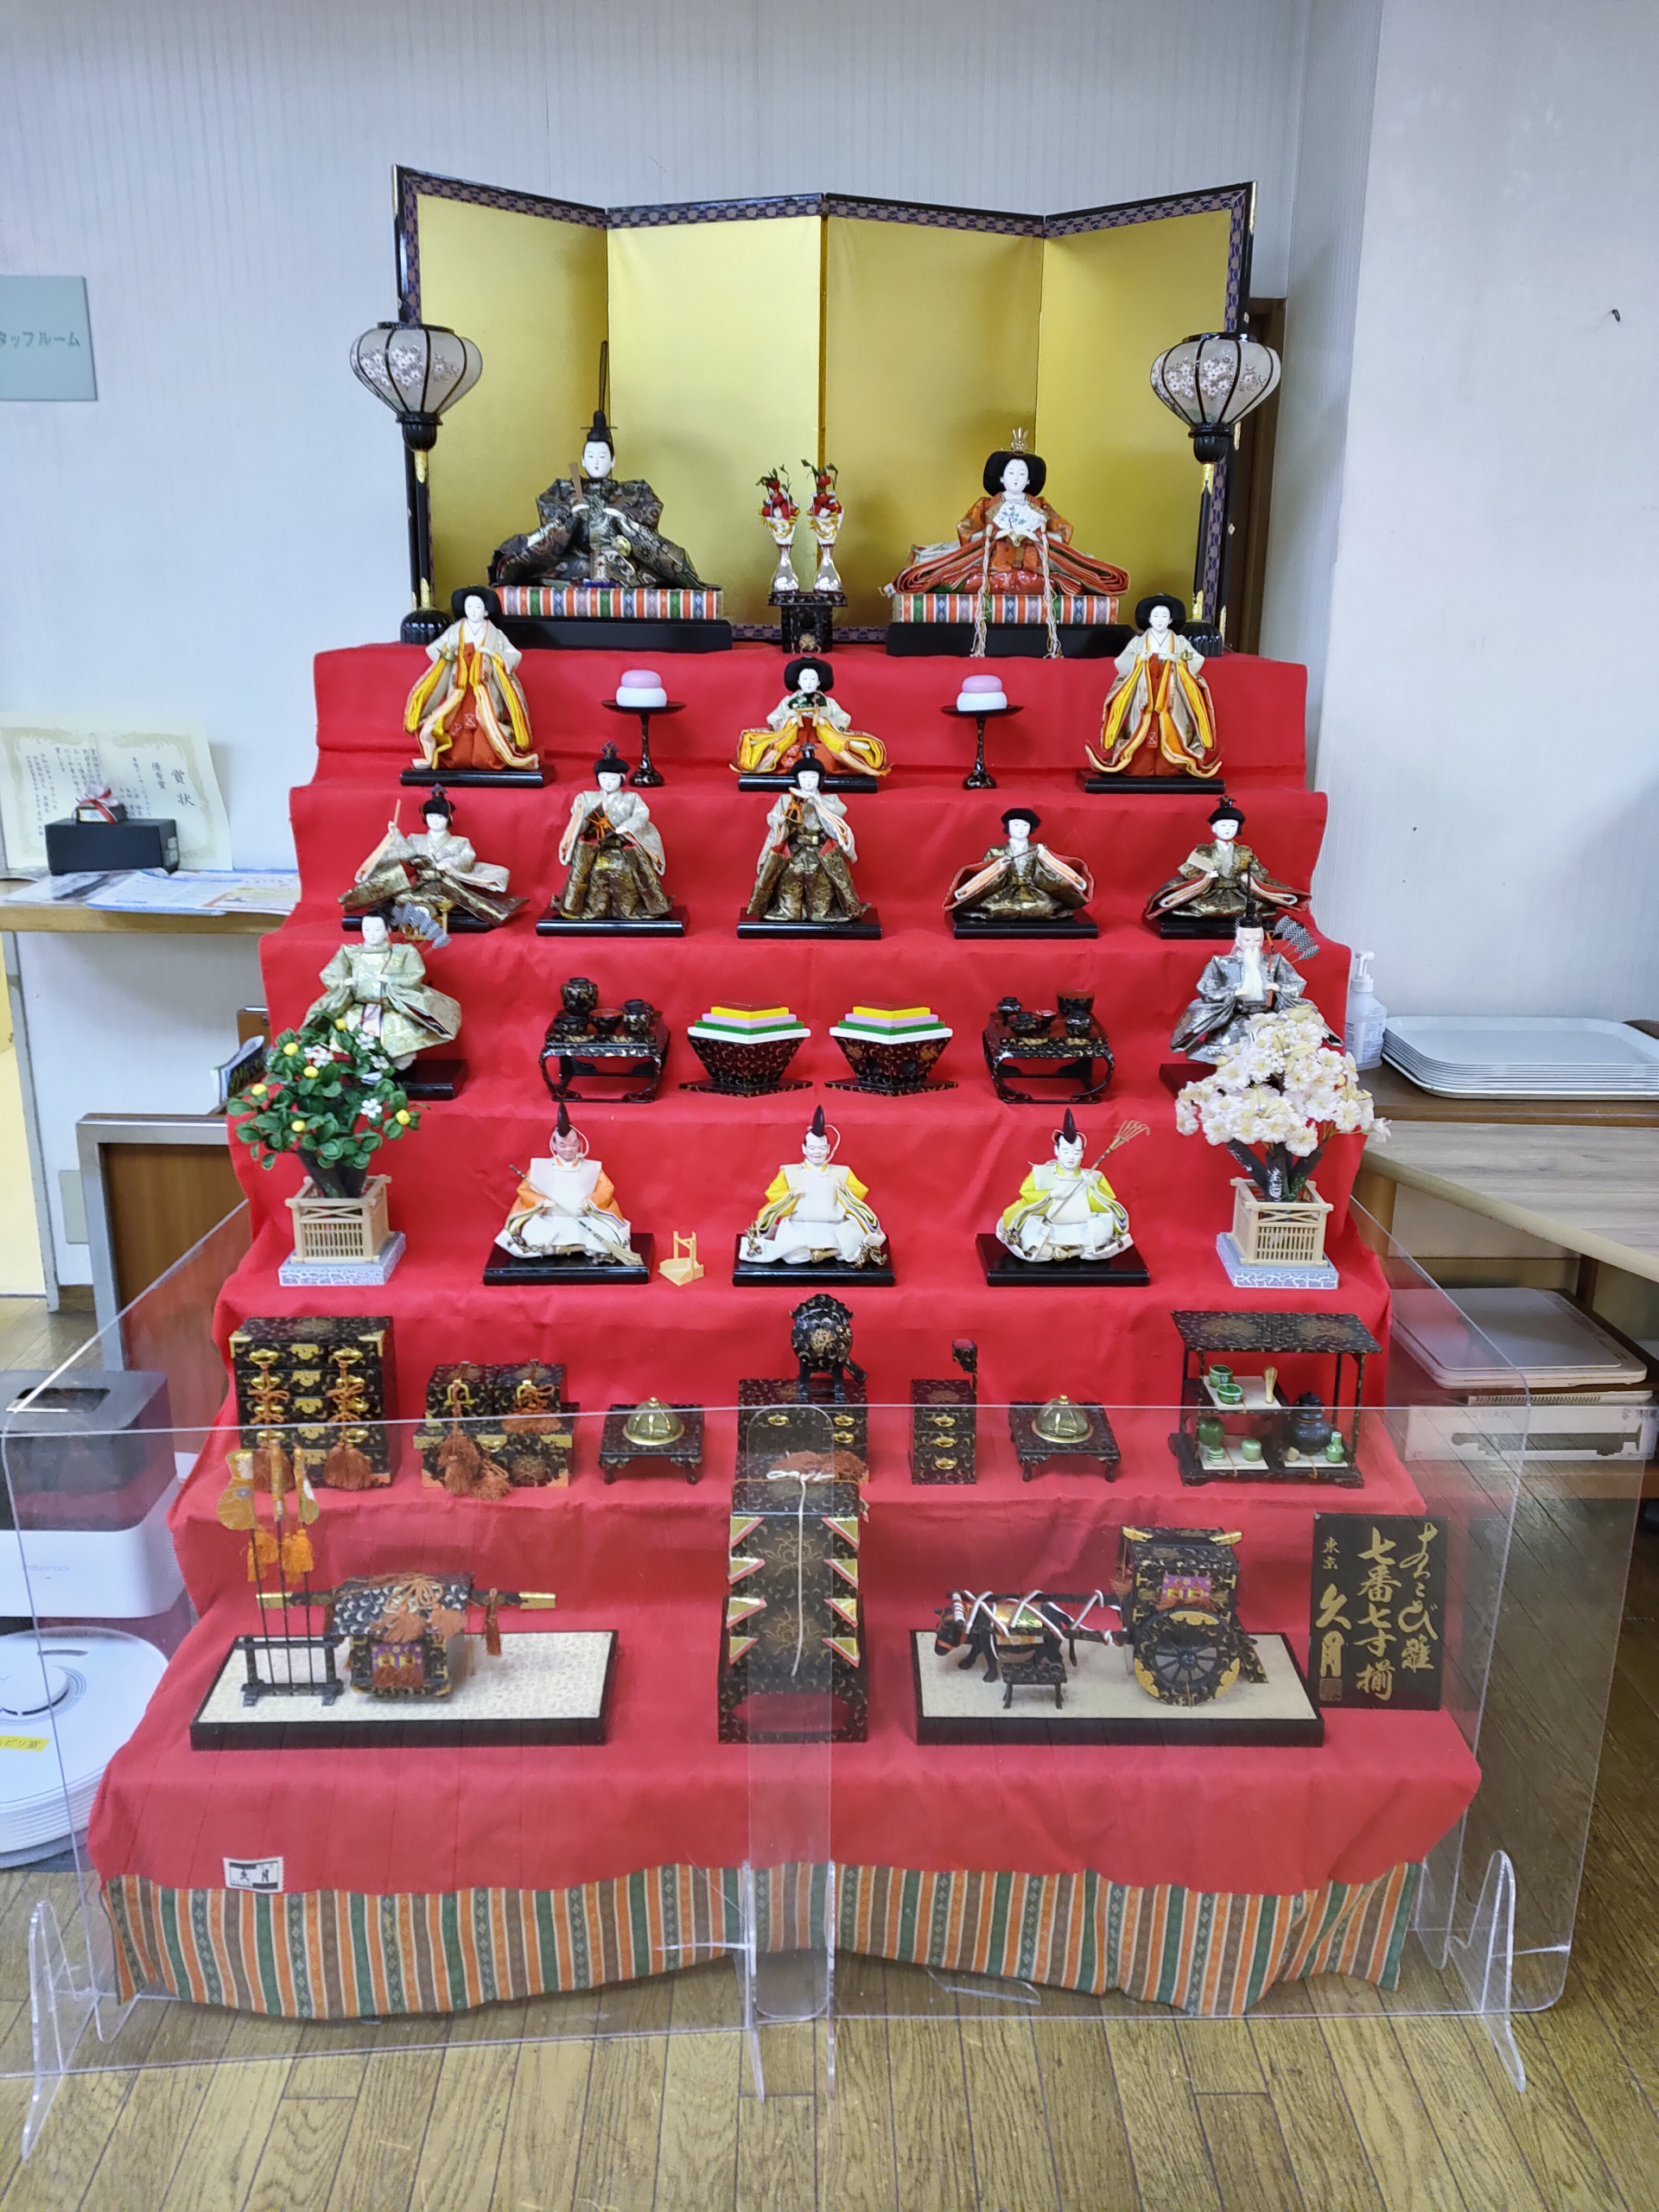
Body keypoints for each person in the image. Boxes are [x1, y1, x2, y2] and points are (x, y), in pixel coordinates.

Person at [887, 431, 1129, 655]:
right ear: (1001, 476)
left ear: (1029, 479)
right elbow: (967, 532)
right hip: (992, 567)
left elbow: (1061, 534)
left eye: (1022, 474)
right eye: (1011, 473)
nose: (1016, 478)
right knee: (963, 580)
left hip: (1033, 569)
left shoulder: (1040, 506)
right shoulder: (986, 505)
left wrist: (1036, 537)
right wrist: (994, 534)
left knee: (1066, 584)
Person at [488, 405, 709, 590]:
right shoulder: (564, 488)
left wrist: (624, 518)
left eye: (602, 456)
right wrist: (570, 517)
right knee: (565, 570)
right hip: (576, 559)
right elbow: (547, 509)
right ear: (583, 460)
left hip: (618, 558)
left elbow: (650, 510)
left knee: (636, 571)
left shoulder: (634, 489)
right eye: (591, 456)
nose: (596, 462)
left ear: (613, 461)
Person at [346, 787, 524, 930]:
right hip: (421, 884)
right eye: (431, 816)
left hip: (445, 885)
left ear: (448, 818)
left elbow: (466, 857)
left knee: (453, 902)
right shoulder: (416, 839)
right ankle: (420, 912)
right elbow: (402, 851)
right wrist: (394, 836)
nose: (435, 820)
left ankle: (421, 912)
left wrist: (448, 864)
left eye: (439, 817)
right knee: (399, 896)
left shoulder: (460, 842)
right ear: (425, 818)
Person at [303, 910, 461, 1069]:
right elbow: (330, 974)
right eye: (367, 929)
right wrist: (344, 981)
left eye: (377, 929)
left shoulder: (403, 952)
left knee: (401, 1041)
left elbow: (415, 974)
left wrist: (392, 980)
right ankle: (362, 1066)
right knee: (351, 1036)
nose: (371, 934)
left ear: (387, 930)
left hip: (393, 1007)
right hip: (358, 1007)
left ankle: (398, 1066)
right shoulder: (350, 952)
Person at [404, 589, 537, 773]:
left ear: (486, 611)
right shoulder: (455, 630)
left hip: (484, 688)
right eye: (469, 606)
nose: (473, 610)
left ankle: (487, 759)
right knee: (456, 725)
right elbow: (435, 649)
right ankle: (457, 758)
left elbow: (513, 654)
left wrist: (494, 656)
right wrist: (448, 652)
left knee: (486, 725)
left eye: (478, 607)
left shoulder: (495, 634)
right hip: (459, 687)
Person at [1087, 595, 1219, 779]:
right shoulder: (1138, 642)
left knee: (1171, 728)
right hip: (1144, 692)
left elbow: (1196, 658)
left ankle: (1170, 766)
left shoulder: (1179, 641)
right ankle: (1141, 765)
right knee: (1142, 729)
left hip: (1171, 693)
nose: (1160, 620)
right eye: (1156, 616)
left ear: (1171, 620)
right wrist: (1139, 660)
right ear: (1149, 619)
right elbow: (1121, 662)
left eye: (1164, 616)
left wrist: (1177, 659)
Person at [741, 1107, 888, 1269]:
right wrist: (791, 1195)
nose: (817, 1152)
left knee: (857, 1243)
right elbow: (774, 1197)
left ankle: (827, 1253)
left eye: (822, 1148)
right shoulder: (789, 1173)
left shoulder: (842, 1173)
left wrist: (845, 1193)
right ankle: (820, 1252)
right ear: (804, 1149)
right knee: (791, 1255)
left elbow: (857, 1199)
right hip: (799, 1225)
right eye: (812, 1148)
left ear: (829, 1149)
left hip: (834, 1225)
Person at [496, 1104, 641, 1267]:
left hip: (583, 1217)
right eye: (563, 1145)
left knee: (605, 1233)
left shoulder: (592, 1168)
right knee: (531, 1233)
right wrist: (541, 1202)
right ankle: (559, 1248)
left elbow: (605, 1189)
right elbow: (525, 1191)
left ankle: (576, 1247)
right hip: (549, 1218)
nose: (568, 1150)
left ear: (579, 1144)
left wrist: (591, 1203)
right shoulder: (540, 1168)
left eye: (573, 1145)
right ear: (554, 1145)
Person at [1170, 906, 1314, 1063]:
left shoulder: (1275, 961)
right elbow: (1207, 987)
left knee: (1279, 1047)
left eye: (1257, 940)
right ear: (1238, 941)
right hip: (1234, 1019)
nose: (1252, 944)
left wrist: (1279, 988)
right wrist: (1232, 993)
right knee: (1228, 1051)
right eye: (1247, 940)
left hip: (1268, 1018)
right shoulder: (1221, 963)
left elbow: (1295, 982)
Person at [747, 750, 868, 924]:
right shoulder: (785, 801)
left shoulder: (831, 802)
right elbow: (776, 827)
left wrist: (818, 804)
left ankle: (820, 909)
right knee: (790, 910)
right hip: (793, 855)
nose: (808, 781)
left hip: (821, 856)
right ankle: (790, 909)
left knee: (820, 913)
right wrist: (784, 819)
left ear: (820, 779)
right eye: (804, 777)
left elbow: (837, 827)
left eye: (813, 777)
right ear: (797, 780)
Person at [996, 1110, 1135, 1262]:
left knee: (1094, 1249)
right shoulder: (1043, 1173)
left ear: (1082, 1154)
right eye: (1066, 1151)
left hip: (1083, 1227)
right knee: (1040, 1253)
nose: (1070, 1157)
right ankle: (1064, 1251)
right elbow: (1027, 1195)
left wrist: (1092, 1188)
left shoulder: (1093, 1176)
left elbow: (1106, 1203)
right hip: (1050, 1226)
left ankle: (1071, 1252)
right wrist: (1050, 1195)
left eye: (1076, 1152)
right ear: (1056, 1151)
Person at [1143, 797, 1302, 925]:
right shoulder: (1203, 852)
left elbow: (1258, 870)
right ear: (1213, 828)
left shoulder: (1244, 852)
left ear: (1238, 829)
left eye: (1232, 826)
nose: (1227, 829)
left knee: (1254, 907)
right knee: (1197, 906)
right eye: (1223, 825)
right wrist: (1206, 876)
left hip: (1237, 892)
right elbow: (1189, 869)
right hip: (1210, 892)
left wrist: (1248, 877)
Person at [557, 747, 672, 921]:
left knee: (624, 872)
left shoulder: (632, 798)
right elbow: (578, 819)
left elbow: (642, 815)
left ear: (622, 778)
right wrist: (582, 816)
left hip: (622, 848)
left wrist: (626, 827)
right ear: (597, 778)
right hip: (596, 849)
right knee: (594, 873)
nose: (608, 782)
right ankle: (591, 910)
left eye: (612, 778)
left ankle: (629, 910)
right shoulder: (587, 798)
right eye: (604, 778)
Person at [733, 658, 887, 779]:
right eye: (805, 679)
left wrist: (824, 722)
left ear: (819, 682)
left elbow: (844, 718)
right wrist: (791, 721)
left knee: (827, 759)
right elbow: (773, 718)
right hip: (793, 739)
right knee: (783, 757)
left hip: (820, 739)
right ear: (798, 681)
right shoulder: (788, 701)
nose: (809, 683)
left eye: (813, 679)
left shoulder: (828, 702)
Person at [947, 805, 1092, 924]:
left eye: (1025, 825)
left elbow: (1047, 874)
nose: (1020, 829)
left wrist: (1045, 859)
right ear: (1008, 827)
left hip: (1033, 890)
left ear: (1030, 828)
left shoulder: (1038, 850)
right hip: (1005, 891)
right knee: (997, 909)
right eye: (1016, 825)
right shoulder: (996, 851)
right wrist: (998, 869)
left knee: (1044, 908)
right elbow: (984, 876)